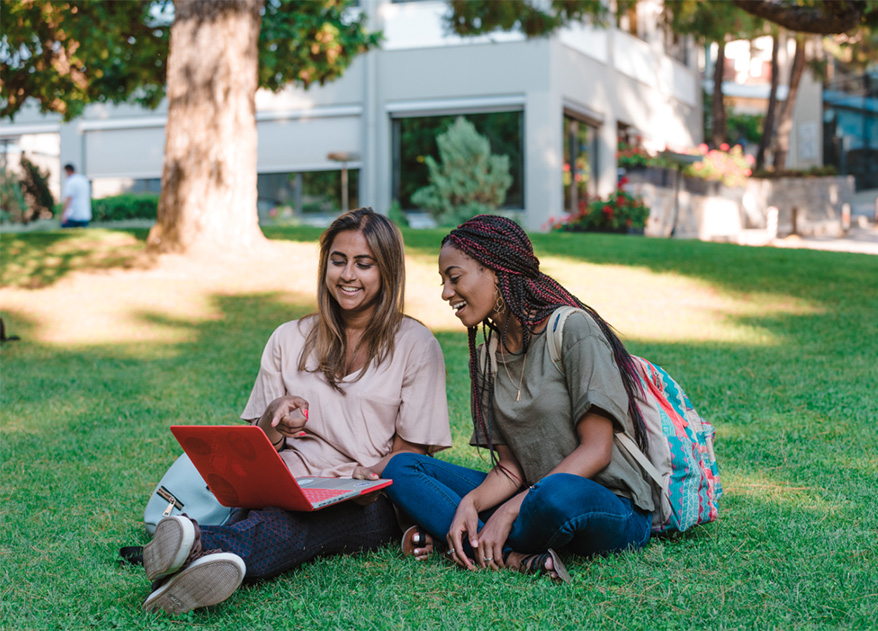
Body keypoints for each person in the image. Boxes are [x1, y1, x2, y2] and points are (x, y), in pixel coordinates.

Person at [139, 208, 451, 614]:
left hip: (370, 501)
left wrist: (366, 479)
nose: (348, 275)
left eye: (364, 264)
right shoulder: (289, 338)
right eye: (338, 261)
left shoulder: (416, 345)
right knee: (280, 514)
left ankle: (195, 546)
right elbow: (255, 447)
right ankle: (191, 563)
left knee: (293, 527)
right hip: (288, 483)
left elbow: (411, 459)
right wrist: (272, 418)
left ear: (388, 271)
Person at [383, 214, 654, 582]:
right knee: (400, 468)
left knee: (555, 496)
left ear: (495, 270)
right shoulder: (486, 357)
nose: (446, 292)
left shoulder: (573, 329)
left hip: (606, 503)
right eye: (443, 281)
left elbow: (597, 450)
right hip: (532, 495)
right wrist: (471, 502)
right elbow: (512, 469)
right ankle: (514, 557)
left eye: (455, 277)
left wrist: (510, 509)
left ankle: (471, 537)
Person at [60, 163, 91, 228]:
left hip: (72, 215)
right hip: (84, 214)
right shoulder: (84, 180)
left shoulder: (70, 181)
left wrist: (64, 214)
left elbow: (68, 199)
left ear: (67, 171)